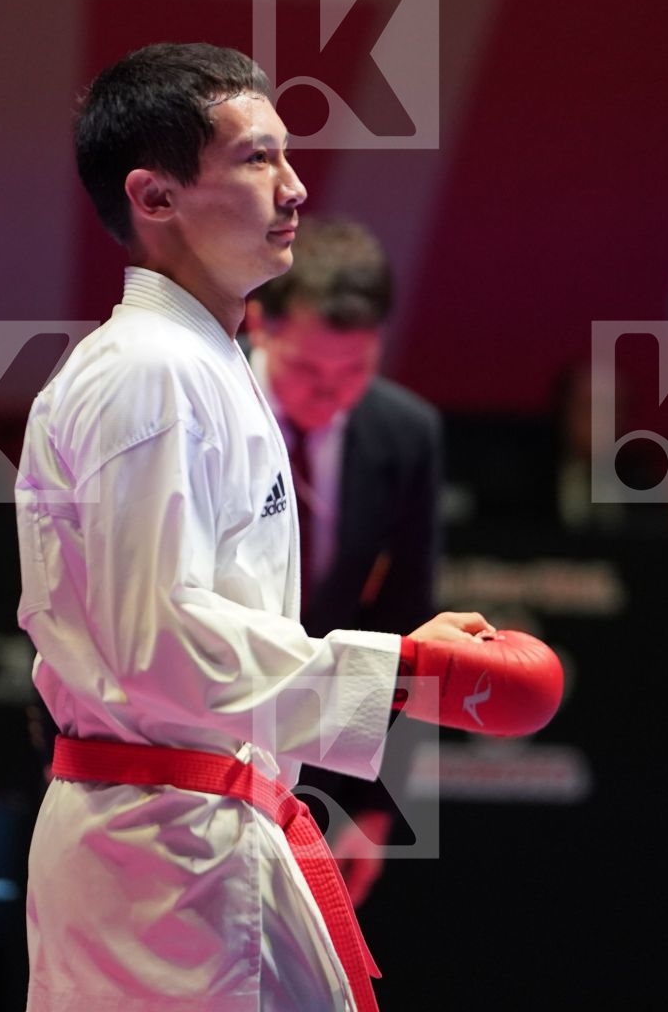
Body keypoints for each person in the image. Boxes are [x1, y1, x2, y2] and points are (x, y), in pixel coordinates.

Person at [15, 43, 562, 1011]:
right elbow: (159, 645)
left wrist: (397, 670)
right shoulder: (151, 372)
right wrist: (401, 674)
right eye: (258, 158)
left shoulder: (202, 361)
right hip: (162, 859)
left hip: (202, 832)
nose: (296, 187)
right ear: (155, 199)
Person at [244, 218, 442, 908]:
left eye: (354, 370)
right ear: (259, 324)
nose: (329, 393)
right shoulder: (200, 406)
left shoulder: (406, 435)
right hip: (186, 741)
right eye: (307, 369)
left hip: (321, 768)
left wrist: (377, 804)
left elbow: (407, 628)